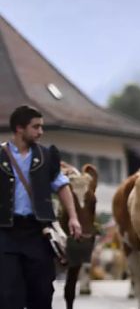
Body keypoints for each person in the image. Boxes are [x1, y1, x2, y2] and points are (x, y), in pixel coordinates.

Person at [1, 105, 82, 309]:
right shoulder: (1, 156)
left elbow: (61, 186)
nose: (40, 132)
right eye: (36, 127)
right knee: (8, 293)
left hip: (38, 233)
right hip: (5, 234)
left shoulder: (47, 157)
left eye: (41, 127)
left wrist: (72, 217)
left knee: (42, 293)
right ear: (19, 128)